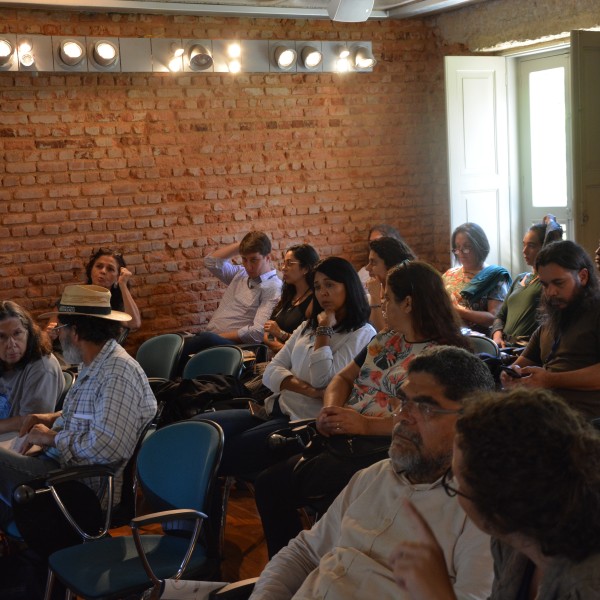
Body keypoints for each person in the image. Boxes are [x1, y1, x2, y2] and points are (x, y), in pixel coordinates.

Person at [255, 261, 471, 557]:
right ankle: (298, 564)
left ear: (407, 303)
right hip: (349, 436)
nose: (381, 306)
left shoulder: (443, 355)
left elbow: (430, 420)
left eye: (386, 299)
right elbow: (342, 378)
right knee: (269, 482)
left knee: (319, 494)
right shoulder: (385, 340)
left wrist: (365, 425)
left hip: (389, 448)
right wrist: (330, 411)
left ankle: (330, 566)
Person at [249, 346, 496, 600]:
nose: (402, 418)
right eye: (402, 402)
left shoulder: (481, 512)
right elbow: (305, 552)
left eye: (424, 409)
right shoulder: (373, 476)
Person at [390, 388, 600, 600]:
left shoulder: (588, 586)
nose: (456, 491)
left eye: (457, 485)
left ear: (499, 511)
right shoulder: (511, 544)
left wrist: (438, 595)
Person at [192, 257, 375, 478]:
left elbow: (323, 380)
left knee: (221, 454)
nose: (322, 293)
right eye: (317, 287)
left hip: (303, 422)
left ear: (349, 286)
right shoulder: (308, 326)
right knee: (200, 429)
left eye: (330, 285)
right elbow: (272, 371)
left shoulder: (363, 333)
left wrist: (324, 331)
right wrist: (309, 391)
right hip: (274, 407)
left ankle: (201, 508)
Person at [0, 284, 157, 527]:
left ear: (75, 332)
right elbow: (92, 415)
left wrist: (51, 438)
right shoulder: (93, 364)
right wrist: (51, 418)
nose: (58, 336)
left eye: (61, 327)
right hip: (57, 468)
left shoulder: (117, 373)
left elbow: (109, 447)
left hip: (75, 486)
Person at [500, 240, 600, 418]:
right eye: (545, 285)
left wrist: (550, 379)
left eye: (559, 283)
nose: (551, 292)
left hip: (584, 422)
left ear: (583, 277)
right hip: (544, 411)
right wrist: (511, 373)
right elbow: (524, 361)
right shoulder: (550, 322)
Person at [178, 231, 282, 373]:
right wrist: (243, 244)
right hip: (212, 338)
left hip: (237, 347)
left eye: (254, 260)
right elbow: (211, 262)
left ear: (268, 258)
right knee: (177, 339)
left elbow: (257, 332)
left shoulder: (272, 286)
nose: (248, 266)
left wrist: (217, 337)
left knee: (196, 342)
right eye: (244, 259)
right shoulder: (241, 274)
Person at [47, 248, 142, 351]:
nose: (103, 271)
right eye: (99, 266)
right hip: (66, 354)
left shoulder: (117, 302)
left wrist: (123, 285)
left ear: (117, 277)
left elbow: (134, 324)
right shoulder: (74, 296)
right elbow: (48, 332)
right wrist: (51, 332)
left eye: (110, 269)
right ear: (91, 270)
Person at [492, 215, 563, 348]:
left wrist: (550, 220)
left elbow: (553, 235)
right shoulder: (519, 279)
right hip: (502, 346)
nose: (524, 251)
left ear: (544, 247)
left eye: (531, 246)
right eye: (523, 245)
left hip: (526, 348)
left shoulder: (547, 282)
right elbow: (499, 316)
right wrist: (497, 337)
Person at [0, 301, 63, 434]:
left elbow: (31, 422)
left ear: (29, 333)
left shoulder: (43, 367)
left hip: (21, 442)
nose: (11, 344)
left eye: (17, 334)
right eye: (1, 337)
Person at [443, 222, 511, 335]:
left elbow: (494, 318)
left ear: (480, 246)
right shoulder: (449, 274)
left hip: (478, 340)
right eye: (457, 248)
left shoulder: (494, 276)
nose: (461, 253)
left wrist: (458, 311)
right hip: (447, 335)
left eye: (467, 247)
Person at [262, 244, 319, 355]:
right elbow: (268, 331)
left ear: (306, 268)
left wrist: (281, 334)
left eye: (289, 264)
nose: (283, 268)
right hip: (279, 357)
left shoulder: (314, 301)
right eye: (284, 263)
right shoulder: (288, 296)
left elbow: (309, 344)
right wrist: (278, 346)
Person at [364, 237, 415, 331]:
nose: (367, 268)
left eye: (373, 262)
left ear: (391, 265)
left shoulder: (404, 299)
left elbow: (383, 336)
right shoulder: (374, 295)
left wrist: (375, 298)